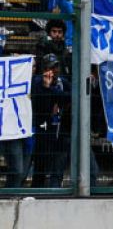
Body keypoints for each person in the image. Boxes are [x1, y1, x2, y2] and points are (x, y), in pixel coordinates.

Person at [31, 54, 71, 187]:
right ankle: (37, 188)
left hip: (60, 128)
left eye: (56, 67)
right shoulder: (37, 81)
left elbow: (68, 98)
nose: (54, 70)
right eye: (51, 67)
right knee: (40, 163)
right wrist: (46, 88)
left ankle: (55, 189)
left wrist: (50, 89)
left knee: (58, 163)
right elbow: (39, 103)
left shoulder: (62, 82)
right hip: (43, 128)